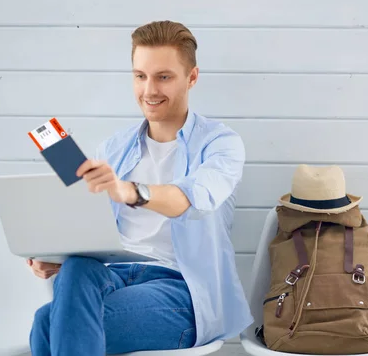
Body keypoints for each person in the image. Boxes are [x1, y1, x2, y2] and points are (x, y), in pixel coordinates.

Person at [27, 20, 253, 356]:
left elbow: (191, 198)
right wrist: (52, 257)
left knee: (47, 323)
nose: (149, 90)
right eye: (140, 76)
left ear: (192, 78)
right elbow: (89, 226)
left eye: (163, 77)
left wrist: (131, 191)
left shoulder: (221, 144)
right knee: (74, 268)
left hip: (180, 289)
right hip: (112, 276)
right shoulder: (114, 148)